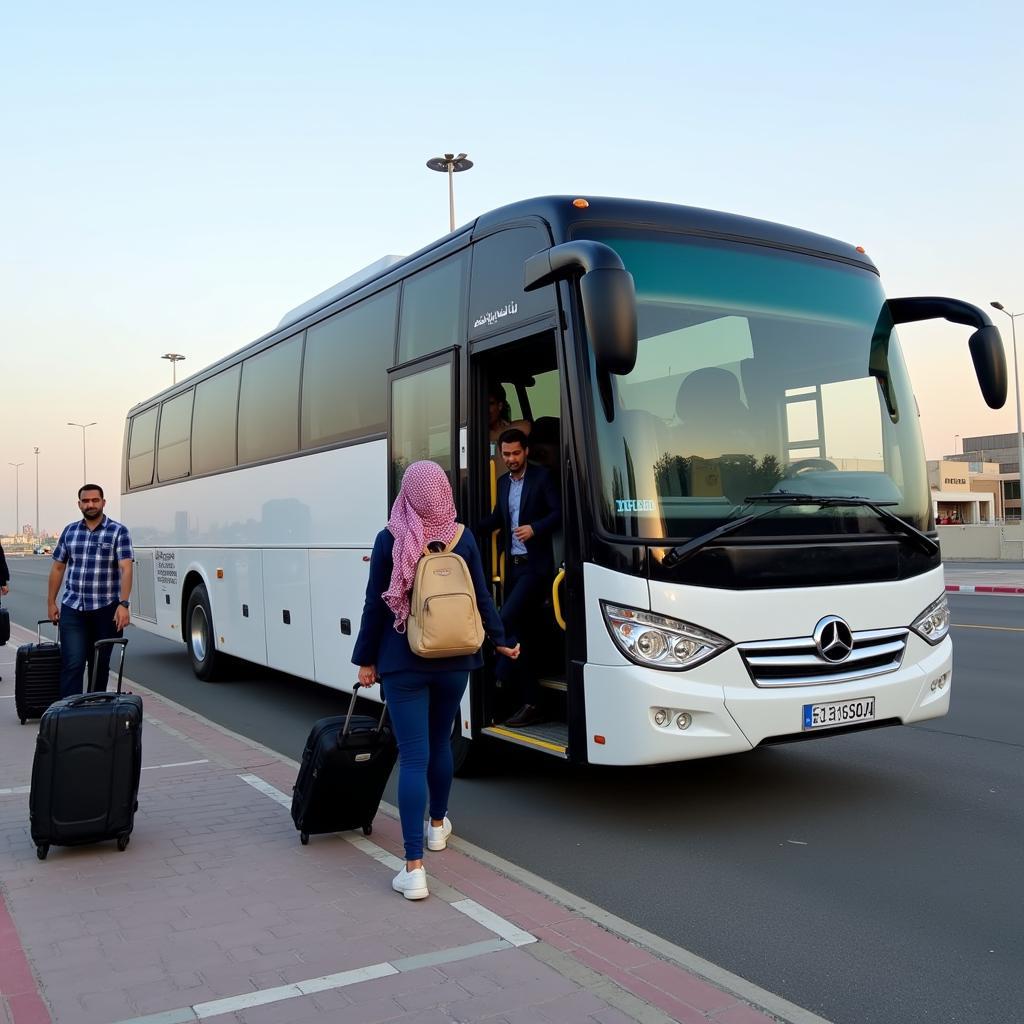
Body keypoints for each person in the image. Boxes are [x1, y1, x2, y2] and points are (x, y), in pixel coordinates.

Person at [352, 460, 519, 901]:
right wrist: (499, 641)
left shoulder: (390, 538)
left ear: (408, 494)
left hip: (403, 662)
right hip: (456, 661)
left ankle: (413, 870)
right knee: (441, 743)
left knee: (412, 758)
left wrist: (365, 660)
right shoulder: (463, 539)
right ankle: (438, 827)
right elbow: (481, 597)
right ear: (444, 490)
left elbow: (375, 606)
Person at [478, 428, 561, 728]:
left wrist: (535, 528)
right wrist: (460, 529)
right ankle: (530, 701)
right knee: (519, 634)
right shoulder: (502, 483)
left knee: (504, 619)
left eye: (515, 453)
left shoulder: (542, 478)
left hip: (536, 568)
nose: (511, 459)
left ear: (525, 451)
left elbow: (560, 513)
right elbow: (495, 519)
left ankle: (499, 676)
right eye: (506, 454)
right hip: (512, 567)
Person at [47, 484, 134, 698]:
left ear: (103, 502)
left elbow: (126, 568)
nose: (91, 505)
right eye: (86, 501)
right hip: (73, 608)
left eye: (95, 500)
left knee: (99, 666)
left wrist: (123, 604)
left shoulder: (118, 531)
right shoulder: (70, 531)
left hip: (106, 610)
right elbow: (58, 567)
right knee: (73, 663)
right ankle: (68, 714)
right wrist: (51, 602)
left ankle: (94, 712)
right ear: (79, 505)